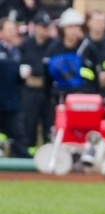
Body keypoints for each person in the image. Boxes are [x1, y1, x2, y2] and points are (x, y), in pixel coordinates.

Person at [18, 10, 53, 154]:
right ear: (35, 27)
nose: (46, 30)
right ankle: (28, 157)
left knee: (49, 127)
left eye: (47, 26)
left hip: (48, 93)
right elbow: (19, 71)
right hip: (30, 94)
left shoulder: (53, 45)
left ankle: (48, 156)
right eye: (43, 26)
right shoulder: (26, 45)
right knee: (29, 126)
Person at [0, 16, 30, 158]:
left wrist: (22, 75)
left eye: (14, 29)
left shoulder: (16, 52)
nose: (14, 32)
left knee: (19, 138)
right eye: (10, 29)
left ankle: (22, 170)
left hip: (12, 105)